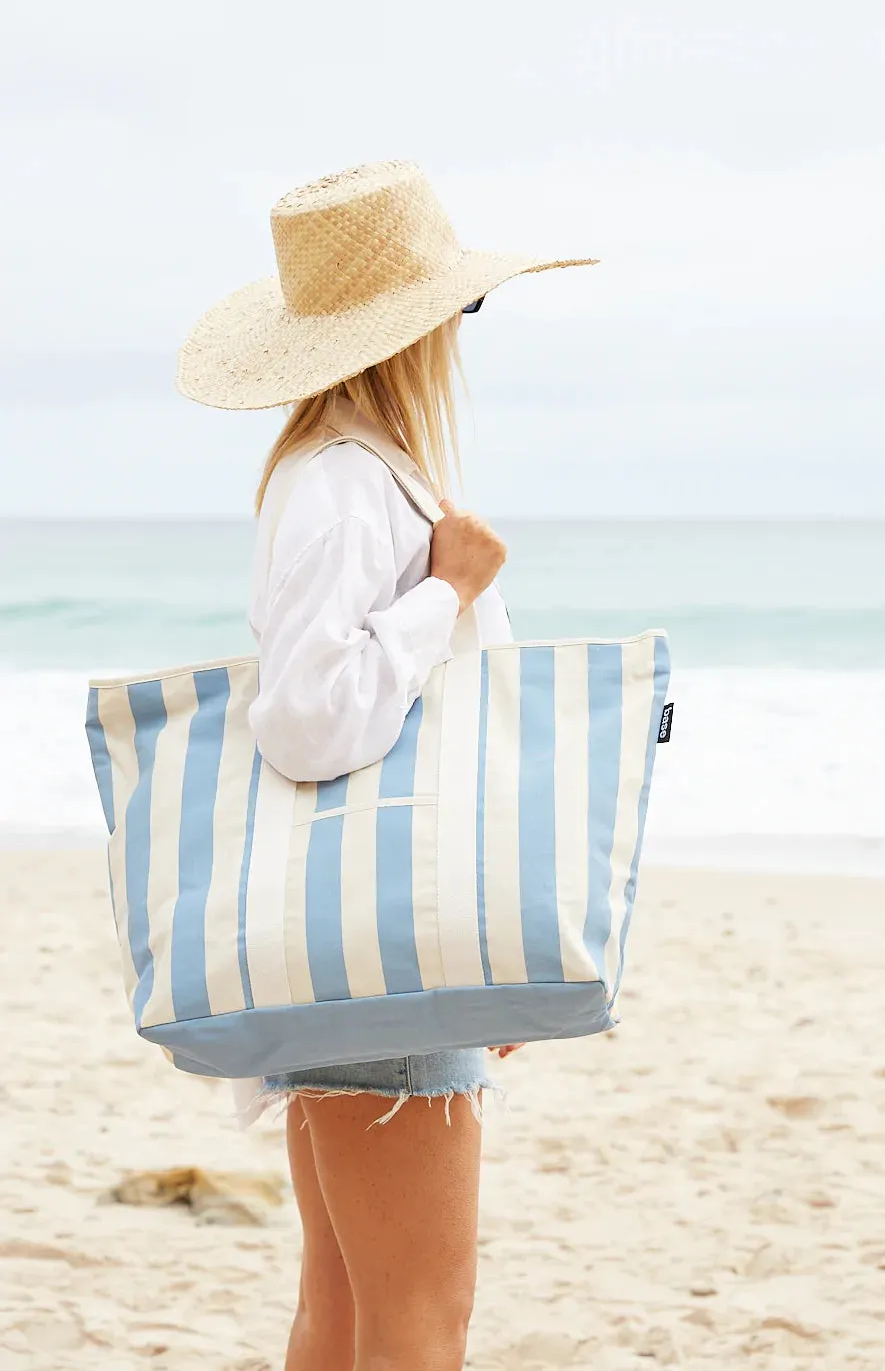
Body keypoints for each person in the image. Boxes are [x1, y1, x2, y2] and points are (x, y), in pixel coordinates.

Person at [177, 159, 594, 1371]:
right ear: (415, 329)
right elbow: (311, 720)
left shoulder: (336, 477)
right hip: (384, 953)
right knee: (417, 1322)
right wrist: (450, 592)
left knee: (348, 1311)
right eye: (458, 310)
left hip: (356, 941)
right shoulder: (353, 488)